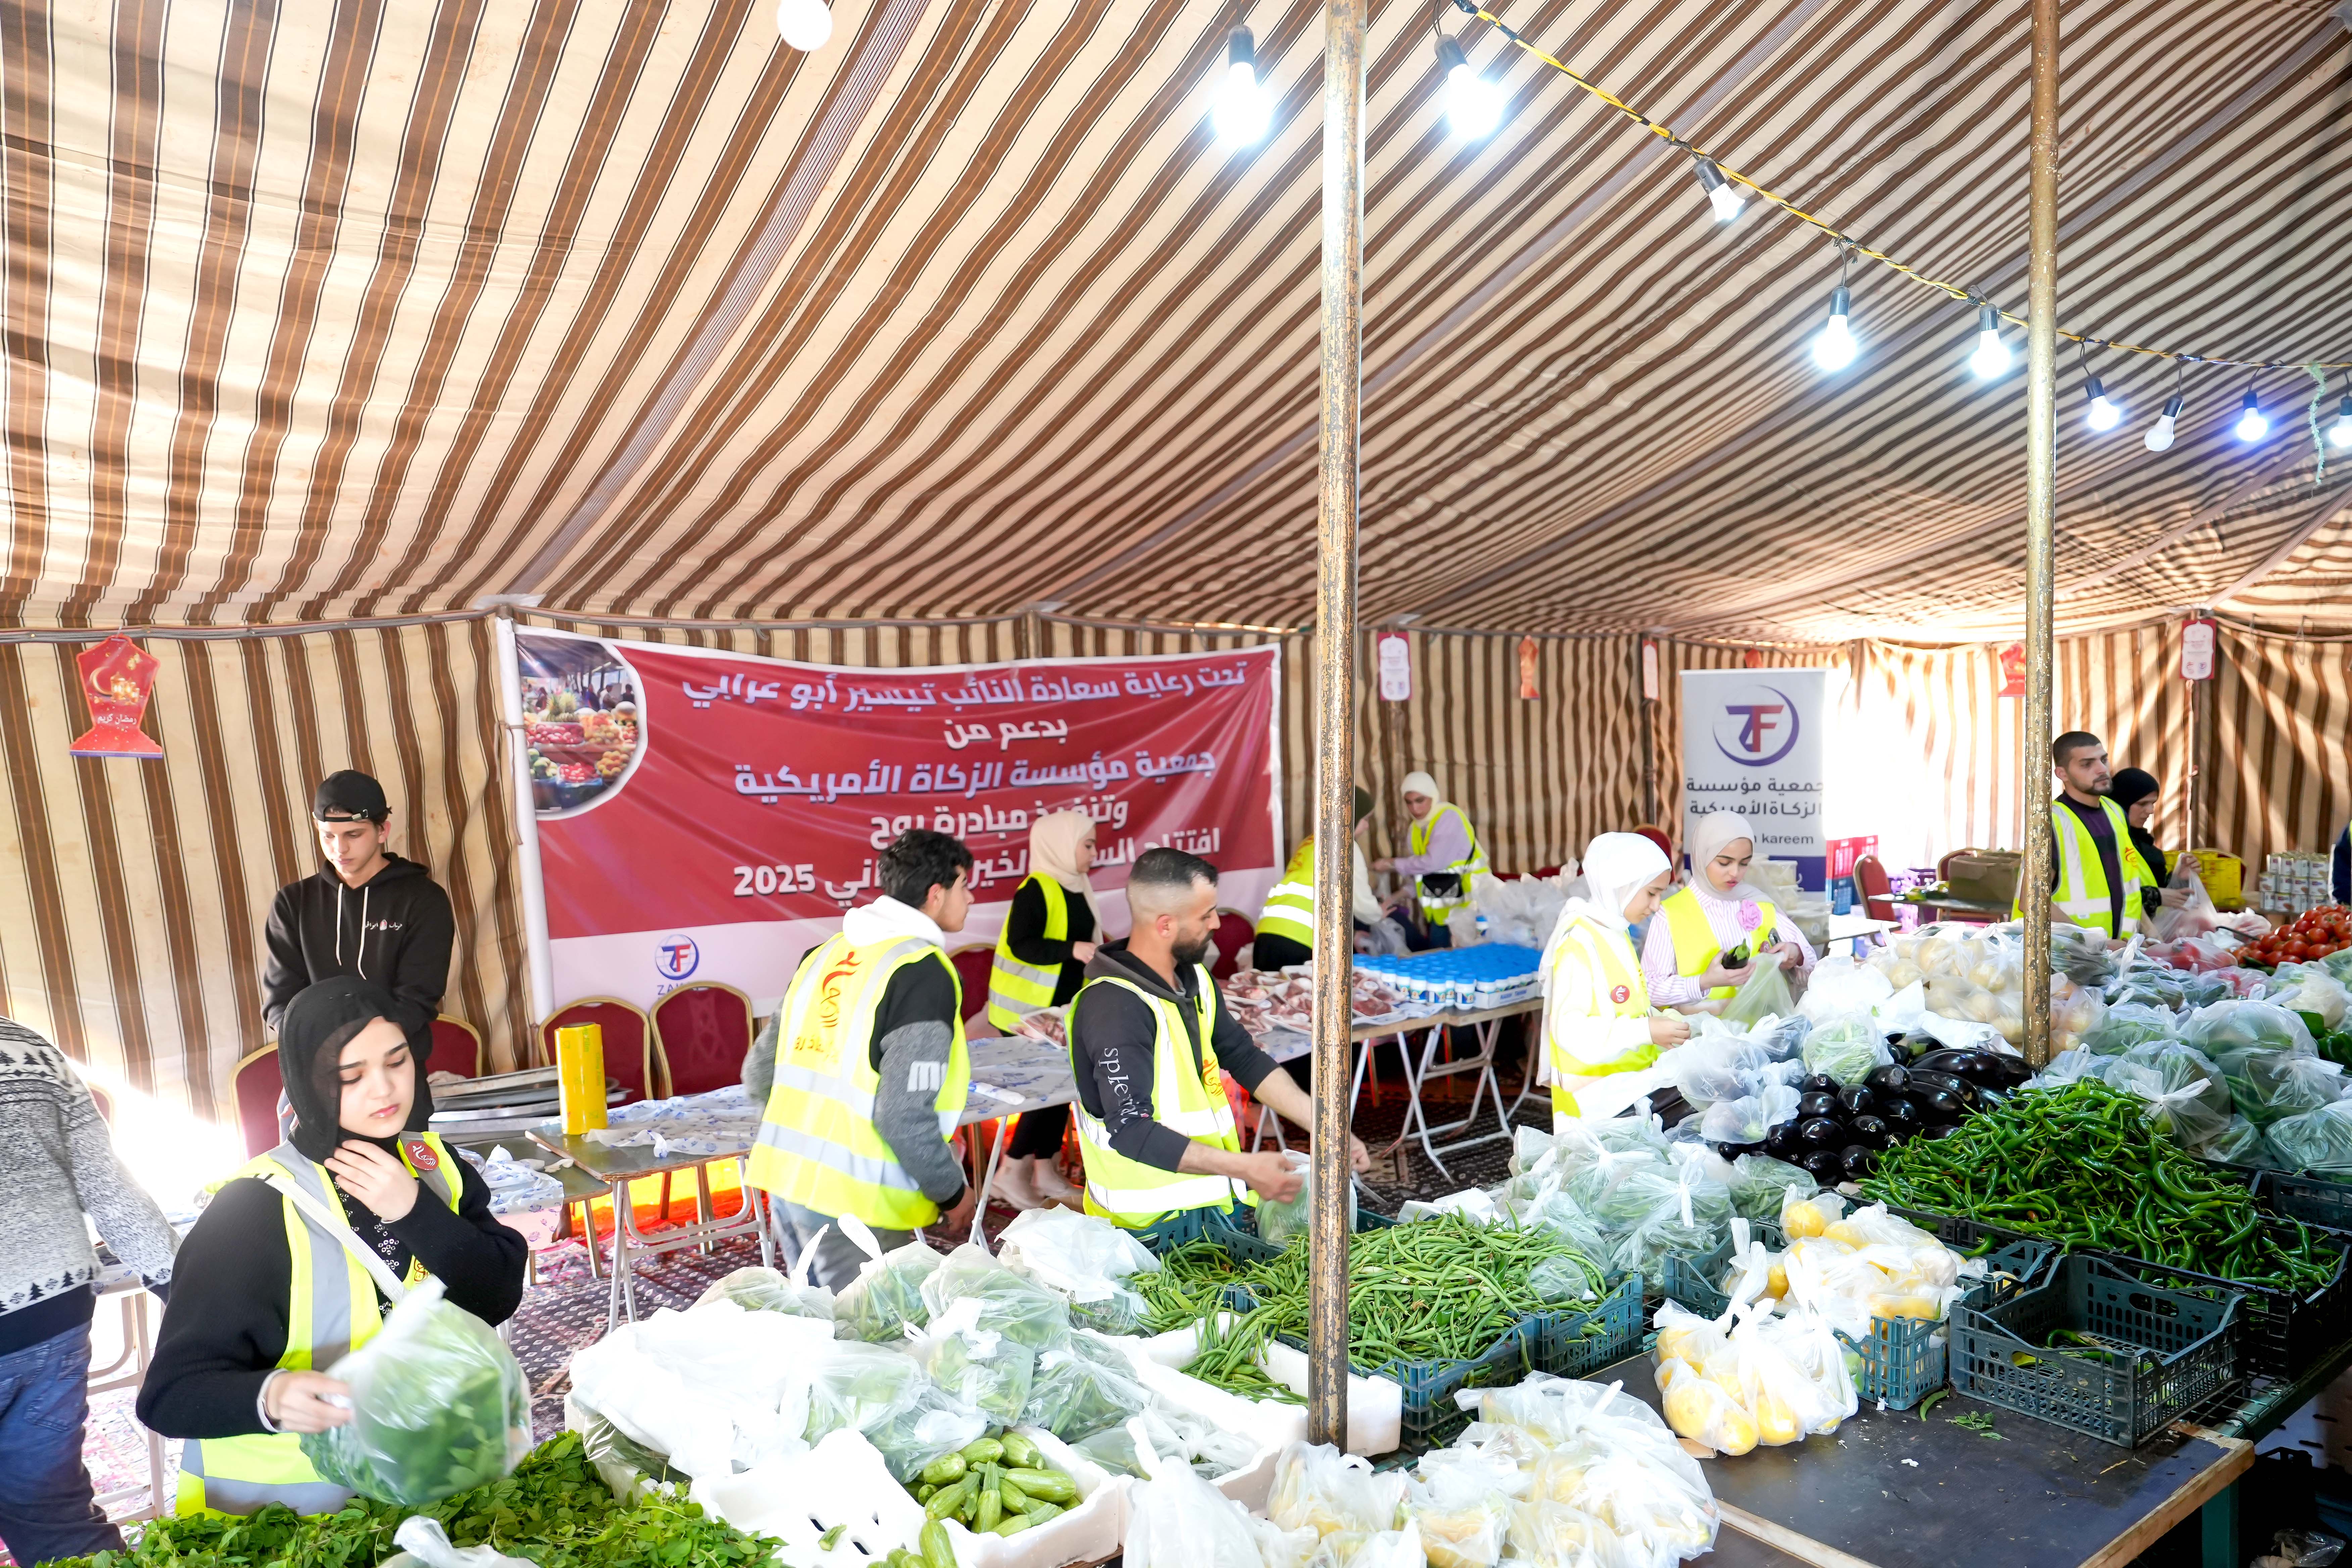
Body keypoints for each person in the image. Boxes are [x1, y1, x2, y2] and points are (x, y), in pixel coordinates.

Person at [140, 978, 525, 1517]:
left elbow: (496, 1296)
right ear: (308, 1080)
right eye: (351, 1075)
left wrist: (415, 1212)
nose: (384, 1089)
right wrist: (271, 1397)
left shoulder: (434, 1167)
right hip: (289, 1521)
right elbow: (169, 1395)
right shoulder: (253, 1209)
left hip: (429, 1488)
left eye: (397, 1061)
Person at [1067, 847, 1369, 1228]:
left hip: (1210, 1212)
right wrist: (1244, 1167)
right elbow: (1131, 1130)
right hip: (1146, 1229)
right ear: (1165, 925)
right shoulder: (1114, 1006)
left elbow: (1245, 1057)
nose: (1216, 923)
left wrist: (1329, 1128)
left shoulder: (1195, 979)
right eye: (1205, 914)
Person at [745, 830, 977, 1290]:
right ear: (936, 895)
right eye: (964, 886)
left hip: (787, 1184)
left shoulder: (824, 955)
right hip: (855, 1206)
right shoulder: (921, 972)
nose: (970, 899)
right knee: (868, 1333)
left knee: (816, 1321)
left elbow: (758, 1074)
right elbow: (902, 1115)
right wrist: (953, 1192)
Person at [0, 1015, 178, 1564]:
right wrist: (185, 1289)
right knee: (57, 1517)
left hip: (47, 1314)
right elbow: (110, 1187)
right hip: (53, 1314)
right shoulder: (26, 1047)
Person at [261, 771, 456, 1040]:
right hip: (316, 1055)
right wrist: (318, 1049)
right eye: (328, 836)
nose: (339, 849)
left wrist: (367, 1050)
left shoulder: (424, 899)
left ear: (382, 831)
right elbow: (280, 1000)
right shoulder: (293, 903)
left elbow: (417, 998)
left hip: (394, 1055)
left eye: (353, 835)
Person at [982, 811, 1098, 1210]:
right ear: (1061, 846)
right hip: (1023, 1014)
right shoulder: (1036, 888)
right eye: (1088, 845)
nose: (1094, 853)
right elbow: (1022, 944)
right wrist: (1073, 949)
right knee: (1045, 1091)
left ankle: (1044, 1171)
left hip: (1058, 1009)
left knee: (1064, 1088)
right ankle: (1011, 1171)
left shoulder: (1077, 885)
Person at [1538, 833, 1690, 1129]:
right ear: (1622, 885)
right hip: (1591, 1111)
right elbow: (1570, 1032)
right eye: (1652, 893)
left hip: (1624, 1097)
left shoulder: (1615, 931)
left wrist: (1663, 1025)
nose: (1657, 905)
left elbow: (1628, 1006)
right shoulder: (1579, 943)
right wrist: (1646, 1030)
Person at [1643, 811, 1818, 1008]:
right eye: (1724, 863)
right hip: (1700, 1028)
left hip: (1764, 1026)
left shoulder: (1759, 903)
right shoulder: (1670, 914)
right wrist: (1702, 983)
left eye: (1744, 863)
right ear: (1702, 856)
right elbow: (1649, 990)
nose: (1735, 873)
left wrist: (1796, 955)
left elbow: (1813, 971)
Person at [2014, 733, 2157, 939]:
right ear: (2062, 774)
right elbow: (2032, 901)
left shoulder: (2115, 812)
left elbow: (2128, 890)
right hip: (2064, 954)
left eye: (2103, 760)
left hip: (2115, 952)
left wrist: (2152, 935)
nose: (2102, 769)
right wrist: (2094, 943)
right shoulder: (2049, 823)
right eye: (2087, 764)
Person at [1254, 787, 1383, 972]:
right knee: (1302, 991)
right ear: (1352, 816)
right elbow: (1362, 903)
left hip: (1267, 934)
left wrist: (1352, 934)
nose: (1367, 826)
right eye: (1366, 819)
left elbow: (1317, 897)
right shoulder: (1345, 845)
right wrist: (1379, 914)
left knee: (1269, 989)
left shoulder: (1311, 841)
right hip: (1300, 939)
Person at [1371, 771, 1487, 949]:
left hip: (1470, 910)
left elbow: (1433, 863)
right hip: (1441, 917)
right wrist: (1393, 899)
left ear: (1433, 796)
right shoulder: (1416, 830)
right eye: (1409, 802)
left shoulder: (1449, 818)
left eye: (1420, 801)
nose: (1415, 809)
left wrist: (1392, 864)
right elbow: (1421, 875)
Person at [2107, 768, 2199, 920]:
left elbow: (2162, 892)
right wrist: (2155, 896)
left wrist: (2179, 878)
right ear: (2122, 802)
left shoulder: (2146, 845)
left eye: (2153, 804)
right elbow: (2106, 895)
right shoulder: (2107, 842)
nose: (2150, 811)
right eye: (2142, 804)